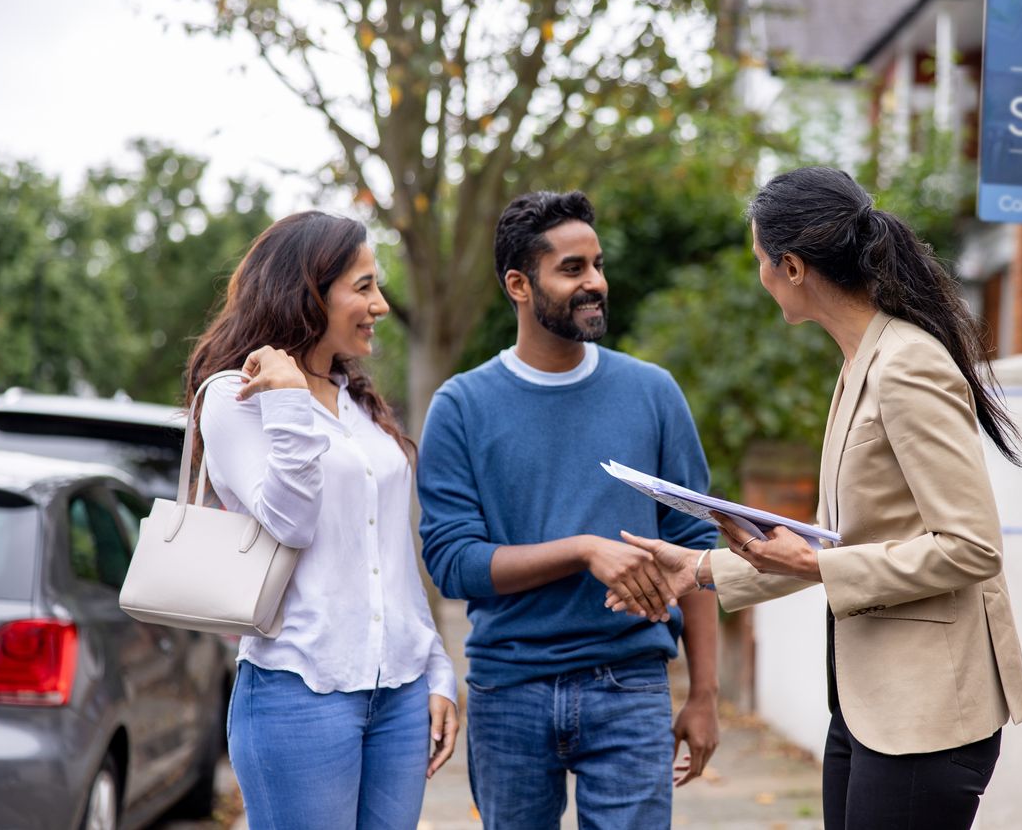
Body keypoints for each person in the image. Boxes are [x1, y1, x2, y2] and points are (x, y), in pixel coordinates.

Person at [615, 167, 1022, 830]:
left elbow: (971, 547)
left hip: (926, 718)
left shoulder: (907, 364)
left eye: (760, 262)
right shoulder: (861, 361)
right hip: (871, 706)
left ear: (792, 266)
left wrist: (815, 566)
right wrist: (695, 570)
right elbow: (837, 543)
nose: (759, 277)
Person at [416, 190, 720, 829]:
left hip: (631, 684)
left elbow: (696, 549)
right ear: (519, 285)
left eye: (598, 265)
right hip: (508, 690)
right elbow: (452, 563)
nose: (596, 284)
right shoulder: (462, 406)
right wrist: (584, 551)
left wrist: (704, 695)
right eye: (573, 269)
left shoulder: (652, 394)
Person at [185, 211, 458, 829]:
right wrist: (287, 400)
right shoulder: (237, 396)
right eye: (363, 287)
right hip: (299, 689)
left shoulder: (358, 401)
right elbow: (291, 522)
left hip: (401, 689)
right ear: (308, 291)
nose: (381, 305)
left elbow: (389, 552)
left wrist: (438, 667)